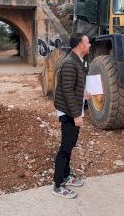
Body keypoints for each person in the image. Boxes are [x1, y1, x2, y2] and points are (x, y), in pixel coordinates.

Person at [52, 33, 91, 199]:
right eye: (87, 42)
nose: (89, 45)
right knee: (65, 148)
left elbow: (72, 87)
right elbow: (67, 91)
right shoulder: (70, 63)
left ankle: (66, 176)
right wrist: (76, 115)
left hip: (73, 109)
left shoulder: (77, 61)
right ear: (79, 45)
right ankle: (58, 184)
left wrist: (83, 95)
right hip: (69, 112)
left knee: (70, 145)